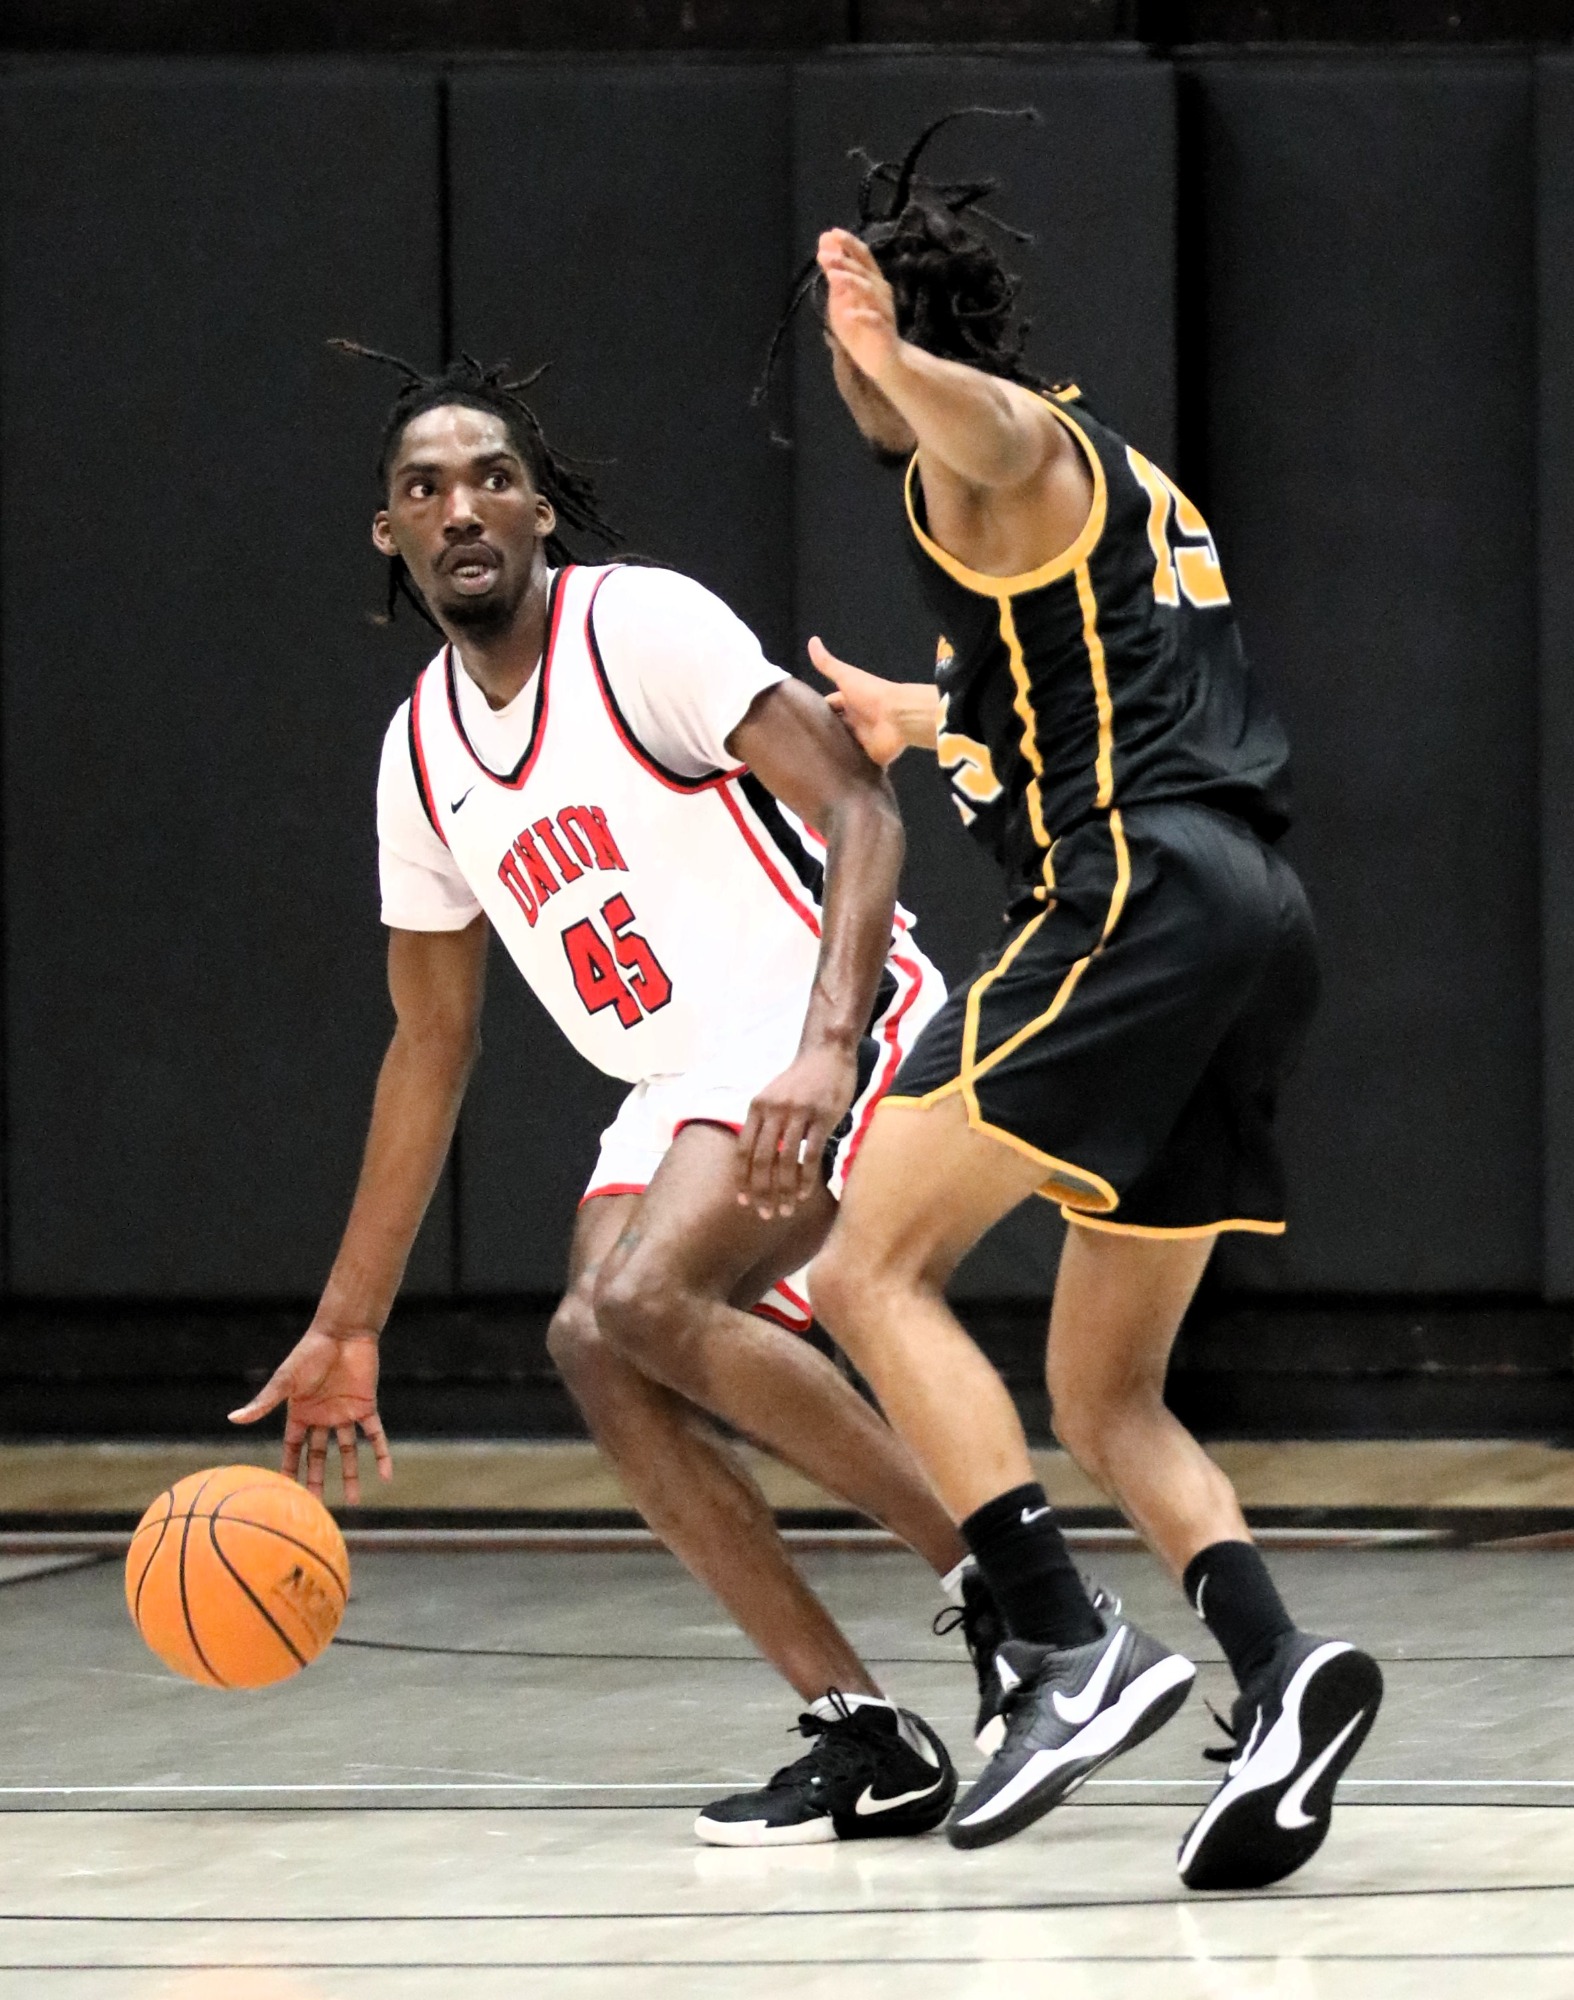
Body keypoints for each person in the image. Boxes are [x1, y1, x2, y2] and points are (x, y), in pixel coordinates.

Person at [229, 345, 1003, 1848]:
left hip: (815, 1011)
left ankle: (1025, 1602)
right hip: (670, 1078)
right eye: (424, 488)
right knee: (595, 1343)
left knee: (642, 1302)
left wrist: (828, 1042)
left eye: (491, 479)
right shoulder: (420, 754)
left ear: (538, 514)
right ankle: (864, 1732)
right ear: (386, 534)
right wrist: (350, 1318)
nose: (461, 507)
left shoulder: (635, 626)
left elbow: (856, 801)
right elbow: (427, 1049)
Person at [796, 115, 1383, 1888]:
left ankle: (1060, 1645)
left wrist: (892, 359)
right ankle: (1280, 1677)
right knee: (1104, 1393)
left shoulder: (1006, 454)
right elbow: (1086, 701)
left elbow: (1002, 430)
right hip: (1246, 918)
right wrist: (918, 715)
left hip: (1136, 899)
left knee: (860, 1265)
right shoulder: (1110, 511)